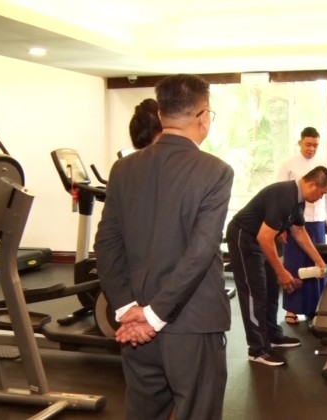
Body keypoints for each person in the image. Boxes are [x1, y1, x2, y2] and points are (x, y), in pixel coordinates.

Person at [94, 74, 233, 420]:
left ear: (160, 115)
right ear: (204, 117)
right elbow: (200, 252)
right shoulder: (216, 171)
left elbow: (106, 245)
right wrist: (154, 316)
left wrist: (128, 309)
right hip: (193, 324)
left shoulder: (123, 168)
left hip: (134, 322)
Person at [226, 166, 327, 367]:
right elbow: (264, 237)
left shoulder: (299, 201)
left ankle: (272, 335)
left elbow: (299, 232)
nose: (321, 198)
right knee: (254, 291)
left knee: (270, 288)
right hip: (245, 237)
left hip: (262, 239)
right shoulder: (285, 196)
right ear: (312, 185)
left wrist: (320, 261)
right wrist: (281, 271)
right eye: (322, 193)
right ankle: (258, 350)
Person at [275, 127, 327, 324]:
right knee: (295, 264)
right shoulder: (288, 165)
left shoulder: (323, 164)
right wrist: (281, 226)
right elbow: (280, 196)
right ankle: (292, 308)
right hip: (293, 222)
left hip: (317, 220)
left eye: (315, 145)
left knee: (316, 263)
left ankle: (316, 307)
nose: (311, 149)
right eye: (308, 144)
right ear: (300, 143)